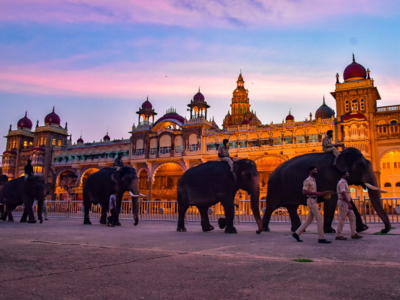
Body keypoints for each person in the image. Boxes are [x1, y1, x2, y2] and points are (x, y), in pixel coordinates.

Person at [292, 166, 331, 244]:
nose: (316, 171)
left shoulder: (314, 180)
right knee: (319, 218)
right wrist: (317, 193)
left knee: (309, 220)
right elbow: (304, 192)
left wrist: (320, 194)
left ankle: (296, 233)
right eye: (314, 170)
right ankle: (321, 238)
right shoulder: (307, 181)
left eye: (316, 170)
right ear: (310, 171)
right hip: (311, 201)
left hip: (314, 200)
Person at [336, 171, 363, 240]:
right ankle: (338, 234)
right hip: (343, 202)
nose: (348, 175)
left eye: (348, 174)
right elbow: (343, 193)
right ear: (343, 175)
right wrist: (348, 203)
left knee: (352, 217)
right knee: (342, 218)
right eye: (346, 174)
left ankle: (354, 233)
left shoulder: (345, 182)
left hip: (346, 202)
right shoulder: (342, 182)